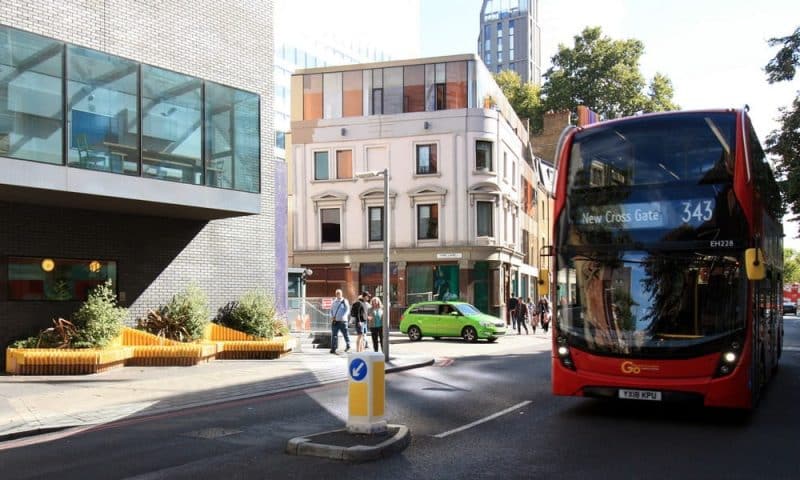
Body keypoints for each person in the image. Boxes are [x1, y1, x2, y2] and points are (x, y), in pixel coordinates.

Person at [329, 288, 351, 354]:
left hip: (343, 321)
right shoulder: (334, 301)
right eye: (337, 293)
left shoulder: (344, 301)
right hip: (335, 321)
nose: (338, 294)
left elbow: (347, 310)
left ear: (341, 294)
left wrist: (344, 316)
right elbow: (331, 310)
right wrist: (331, 316)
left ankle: (348, 345)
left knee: (345, 334)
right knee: (334, 335)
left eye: (339, 293)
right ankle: (333, 348)